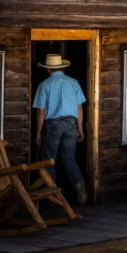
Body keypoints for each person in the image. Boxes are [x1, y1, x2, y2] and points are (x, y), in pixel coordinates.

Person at [33, 53, 88, 205]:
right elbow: (79, 108)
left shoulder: (44, 85)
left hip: (53, 124)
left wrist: (38, 132)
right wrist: (80, 128)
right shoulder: (74, 83)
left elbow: (40, 112)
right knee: (69, 158)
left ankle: (53, 195)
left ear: (48, 70)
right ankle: (78, 184)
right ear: (62, 67)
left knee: (49, 159)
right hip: (71, 123)